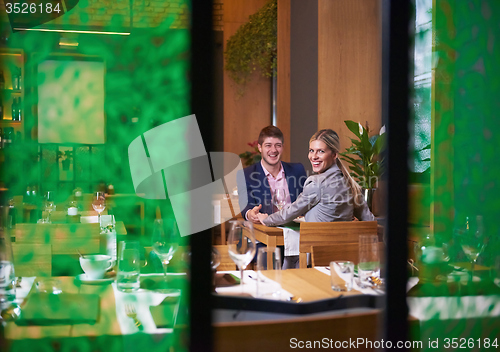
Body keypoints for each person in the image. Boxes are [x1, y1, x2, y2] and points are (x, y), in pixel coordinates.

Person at [257, 129, 375, 267]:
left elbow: (290, 212)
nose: (314, 156)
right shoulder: (351, 183)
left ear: (335, 154)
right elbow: (370, 222)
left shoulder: (317, 183)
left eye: (321, 151)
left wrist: (267, 219)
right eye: (311, 150)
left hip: (315, 261)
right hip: (344, 262)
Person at [238, 126, 307, 223]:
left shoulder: (297, 170)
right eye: (268, 145)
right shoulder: (246, 175)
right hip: (264, 232)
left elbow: (307, 202)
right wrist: (250, 214)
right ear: (259, 148)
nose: (273, 150)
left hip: (295, 230)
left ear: (283, 147)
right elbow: (246, 205)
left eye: (278, 145)